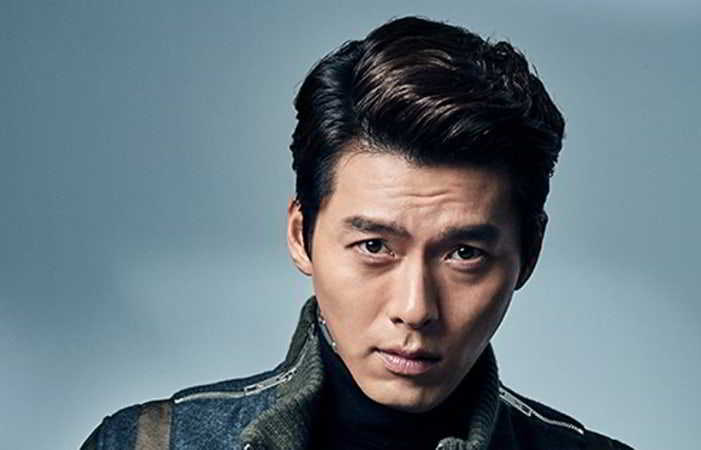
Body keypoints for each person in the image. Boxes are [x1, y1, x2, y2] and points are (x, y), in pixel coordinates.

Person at [82, 16, 632, 450]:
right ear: (301, 235)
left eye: (464, 253)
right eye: (374, 247)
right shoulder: (148, 444)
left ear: (528, 255)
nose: (415, 309)